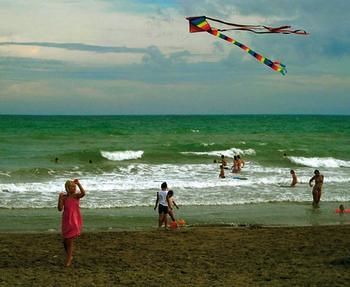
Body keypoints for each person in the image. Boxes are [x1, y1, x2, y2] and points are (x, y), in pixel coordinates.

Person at [57, 179, 85, 267]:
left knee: (69, 241)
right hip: (66, 220)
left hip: (74, 220)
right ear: (67, 188)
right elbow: (60, 209)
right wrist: (60, 198)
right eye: (71, 187)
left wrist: (79, 184)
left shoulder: (76, 196)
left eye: (74, 187)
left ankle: (68, 259)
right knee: (65, 241)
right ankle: (69, 256)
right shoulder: (64, 197)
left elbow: (83, 193)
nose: (73, 188)